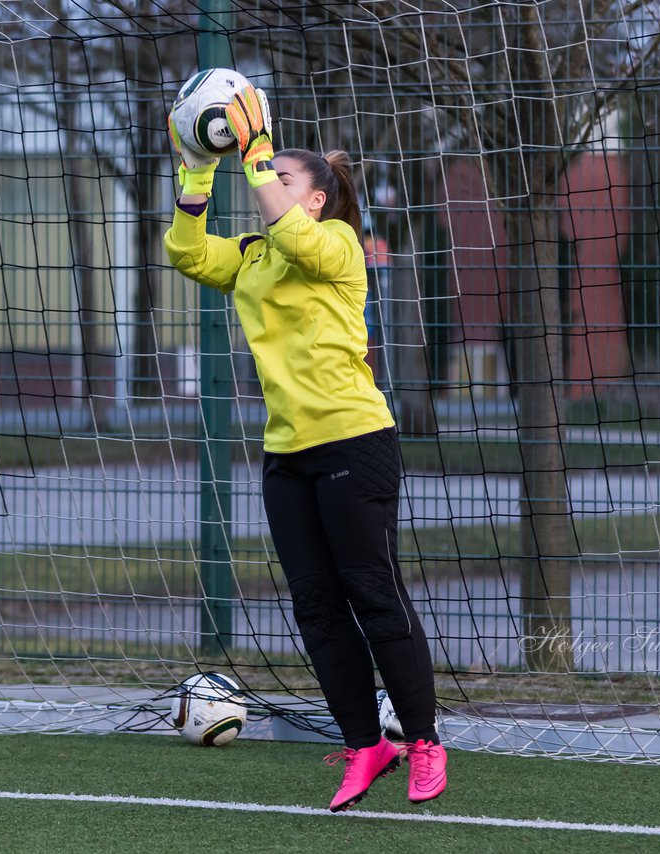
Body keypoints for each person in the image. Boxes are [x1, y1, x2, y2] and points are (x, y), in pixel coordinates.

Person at [163, 83, 446, 811]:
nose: (267, 184)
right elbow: (187, 253)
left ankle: (423, 740)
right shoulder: (256, 254)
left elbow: (290, 234)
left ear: (317, 199)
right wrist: (197, 170)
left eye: (285, 179)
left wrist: (256, 151)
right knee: (316, 609)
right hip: (287, 457)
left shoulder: (336, 244)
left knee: (374, 595)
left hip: (357, 439)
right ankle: (365, 745)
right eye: (268, 174)